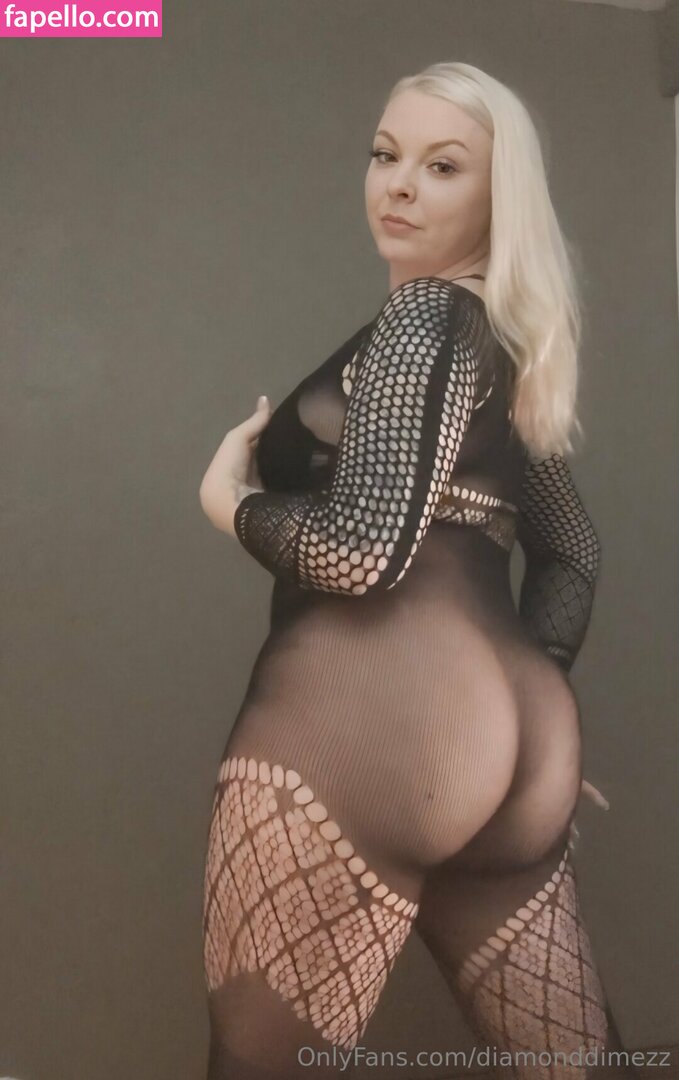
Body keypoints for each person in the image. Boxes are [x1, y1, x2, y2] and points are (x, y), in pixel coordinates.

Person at [198, 61, 639, 1079]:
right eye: (384, 155)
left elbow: (360, 551)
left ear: (498, 195)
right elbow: (570, 550)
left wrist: (230, 502)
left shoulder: (424, 317)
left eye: (442, 166)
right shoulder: (507, 346)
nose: (397, 185)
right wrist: (521, 711)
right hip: (521, 747)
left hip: (373, 723)